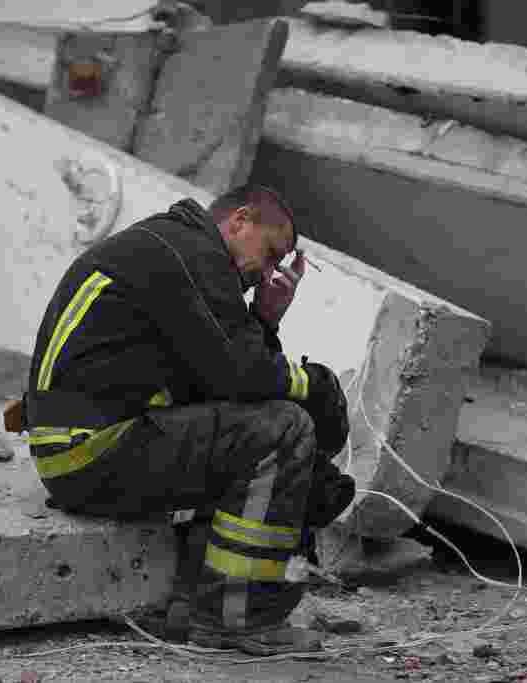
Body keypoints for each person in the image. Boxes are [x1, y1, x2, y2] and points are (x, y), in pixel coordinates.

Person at [21, 184, 355, 655]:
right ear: (240, 220)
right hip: (93, 451)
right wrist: (316, 386)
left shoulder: (170, 248)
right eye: (273, 252)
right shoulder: (192, 256)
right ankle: (238, 619)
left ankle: (188, 602)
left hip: (79, 449)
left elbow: (222, 383)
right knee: (283, 431)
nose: (270, 271)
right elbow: (244, 375)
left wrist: (264, 320)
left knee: (256, 430)